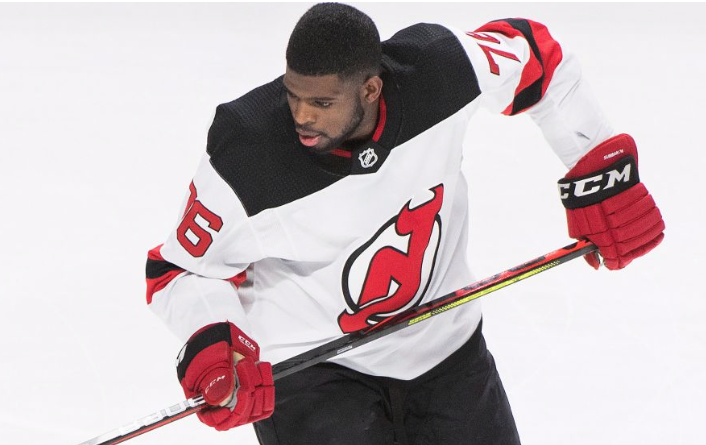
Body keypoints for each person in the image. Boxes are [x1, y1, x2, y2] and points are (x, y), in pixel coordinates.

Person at [145, 3, 665, 444]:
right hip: (312, 374)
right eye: (293, 95)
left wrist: (599, 170)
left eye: (322, 102)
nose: (301, 115)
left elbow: (536, 58)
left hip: (447, 349)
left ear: (371, 89)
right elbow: (175, 270)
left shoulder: (440, 74)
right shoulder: (249, 157)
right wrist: (212, 343)